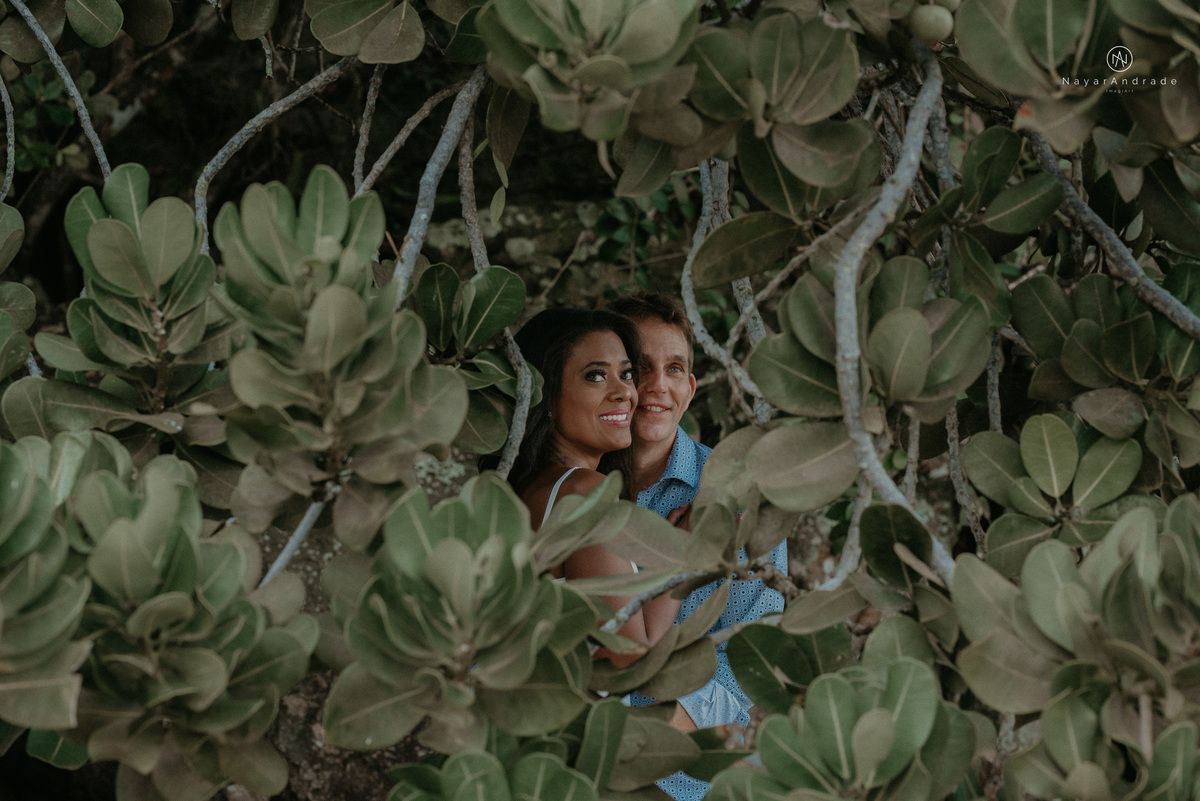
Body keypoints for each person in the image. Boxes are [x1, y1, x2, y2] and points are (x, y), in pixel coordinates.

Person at [609, 292, 789, 801]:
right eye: (638, 368)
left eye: (673, 369)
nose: (655, 386)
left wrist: (653, 732)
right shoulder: (574, 485)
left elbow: (756, 640)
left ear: (690, 388)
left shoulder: (733, 495)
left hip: (686, 775)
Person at [505, 307, 680, 652]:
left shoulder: (525, 489)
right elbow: (629, 660)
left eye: (626, 375)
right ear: (547, 395)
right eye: (596, 376)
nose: (624, 393)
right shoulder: (585, 494)